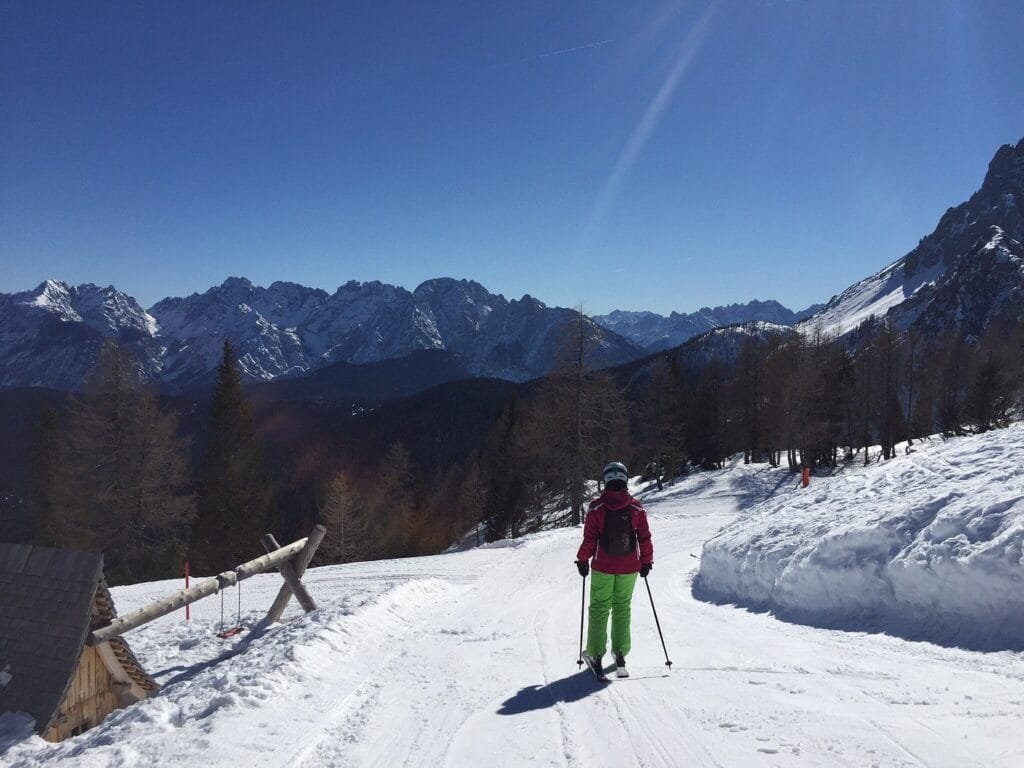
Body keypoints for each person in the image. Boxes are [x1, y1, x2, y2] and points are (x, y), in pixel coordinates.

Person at [575, 461, 653, 678]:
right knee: (622, 607)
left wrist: (582, 560)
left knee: (600, 608)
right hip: (630, 567)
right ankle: (620, 654)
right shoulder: (636, 507)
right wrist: (646, 562)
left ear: (606, 480)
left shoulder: (596, 507)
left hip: (603, 566)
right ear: (625, 480)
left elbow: (590, 539)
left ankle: (595, 654)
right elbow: (644, 538)